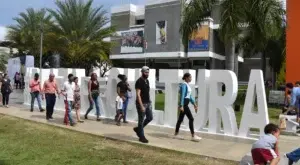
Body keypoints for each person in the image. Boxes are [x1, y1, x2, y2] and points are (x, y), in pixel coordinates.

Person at [174, 73, 201, 142]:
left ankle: (176, 134)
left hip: (186, 103)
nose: (191, 79)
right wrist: (181, 105)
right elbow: (182, 95)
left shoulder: (187, 85)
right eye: (190, 77)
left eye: (191, 77)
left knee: (180, 119)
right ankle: (193, 136)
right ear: (186, 78)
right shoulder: (183, 85)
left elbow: (190, 96)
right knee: (191, 118)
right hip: (184, 104)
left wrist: (194, 104)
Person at [133, 66, 153, 143]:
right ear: (142, 72)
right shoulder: (139, 81)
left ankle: (138, 129)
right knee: (141, 121)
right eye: (145, 72)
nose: (147, 74)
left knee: (150, 118)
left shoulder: (147, 81)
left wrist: (149, 101)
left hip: (148, 103)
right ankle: (141, 137)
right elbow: (138, 95)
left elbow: (146, 92)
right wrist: (141, 106)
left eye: (148, 72)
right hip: (141, 104)